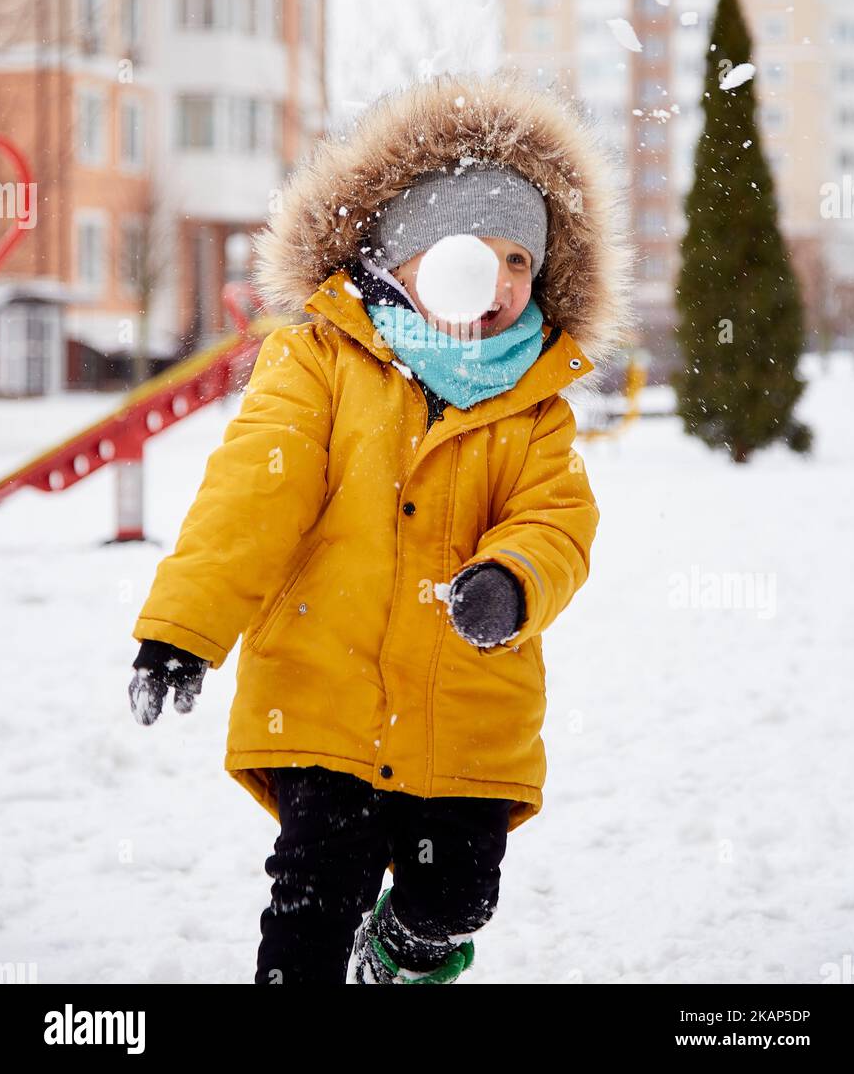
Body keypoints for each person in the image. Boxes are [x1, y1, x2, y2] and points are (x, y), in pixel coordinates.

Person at [127, 73, 635, 984]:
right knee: (313, 906)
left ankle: (400, 951)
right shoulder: (318, 363)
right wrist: (182, 630)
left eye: (522, 260)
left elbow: (559, 519)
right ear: (405, 256)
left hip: (466, 716)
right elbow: (248, 499)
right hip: (325, 704)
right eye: (476, 253)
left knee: (458, 899)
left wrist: (513, 578)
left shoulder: (534, 407)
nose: (505, 279)